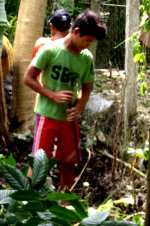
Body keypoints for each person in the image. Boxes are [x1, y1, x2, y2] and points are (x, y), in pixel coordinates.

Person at [24, 10, 106, 192]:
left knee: (69, 162)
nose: (88, 46)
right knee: (38, 163)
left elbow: (86, 89)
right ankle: (29, 204)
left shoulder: (86, 58)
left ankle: (65, 205)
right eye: (88, 41)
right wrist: (52, 95)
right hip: (47, 115)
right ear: (76, 32)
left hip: (69, 120)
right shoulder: (49, 50)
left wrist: (79, 107)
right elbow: (28, 78)